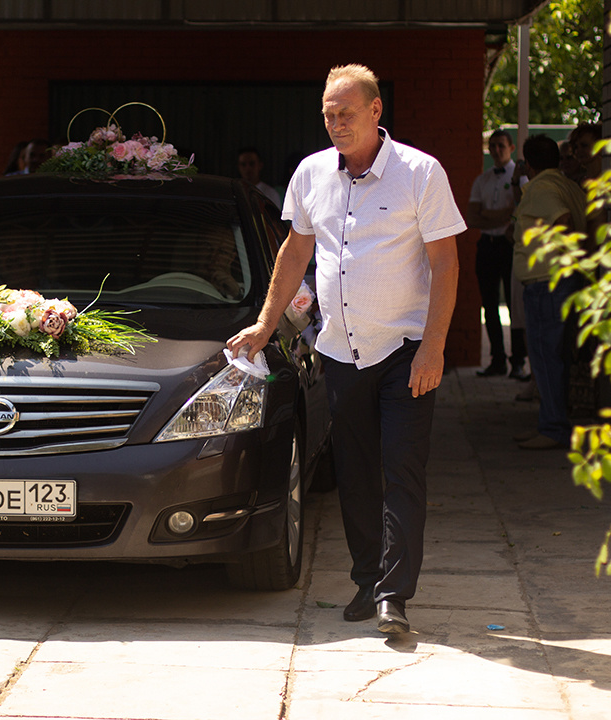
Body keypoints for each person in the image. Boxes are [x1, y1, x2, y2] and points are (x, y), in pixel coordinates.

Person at [227, 64, 464, 634]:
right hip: (340, 351)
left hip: (406, 350)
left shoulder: (420, 173)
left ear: (375, 111)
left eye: (346, 113)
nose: (336, 123)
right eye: (329, 115)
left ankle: (394, 597)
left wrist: (434, 349)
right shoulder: (311, 175)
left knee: (401, 471)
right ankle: (367, 581)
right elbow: (294, 253)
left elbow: (446, 263)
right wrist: (265, 325)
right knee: (356, 471)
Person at [511, 135, 589, 450]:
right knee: (555, 356)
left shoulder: (543, 188)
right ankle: (553, 421)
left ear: (529, 164)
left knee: (545, 357)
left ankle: (554, 427)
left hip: (548, 283)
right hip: (561, 282)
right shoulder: (568, 185)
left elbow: (563, 220)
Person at [468, 129, 528, 379]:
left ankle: (518, 361)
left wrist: (490, 216)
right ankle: (497, 360)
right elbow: (472, 217)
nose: (496, 150)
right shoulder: (482, 179)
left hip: (508, 245)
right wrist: (501, 215)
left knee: (515, 304)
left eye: (501, 146)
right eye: (492, 146)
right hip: (487, 244)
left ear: (511, 148)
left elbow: (519, 210)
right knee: (489, 304)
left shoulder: (520, 179)